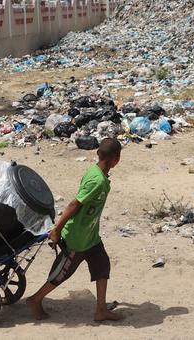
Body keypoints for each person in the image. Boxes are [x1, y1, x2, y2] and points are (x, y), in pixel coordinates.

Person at [26, 138, 123, 322]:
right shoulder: (97, 181)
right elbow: (74, 204)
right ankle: (35, 300)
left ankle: (101, 310)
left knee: (102, 266)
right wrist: (57, 230)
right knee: (62, 274)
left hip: (91, 236)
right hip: (77, 238)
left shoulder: (96, 173)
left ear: (98, 154)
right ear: (116, 158)